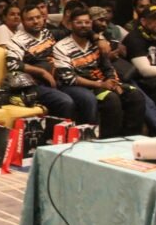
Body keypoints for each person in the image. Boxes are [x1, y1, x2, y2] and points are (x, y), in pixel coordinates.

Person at [53, 8, 146, 138]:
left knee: (135, 95)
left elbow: (107, 67)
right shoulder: (61, 47)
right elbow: (69, 78)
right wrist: (102, 85)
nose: (83, 26)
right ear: (70, 25)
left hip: (104, 83)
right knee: (111, 99)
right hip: (84, 86)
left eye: (87, 22)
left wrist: (114, 82)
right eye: (79, 22)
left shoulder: (98, 44)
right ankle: (108, 140)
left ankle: (131, 138)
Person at [6, 4, 79, 119]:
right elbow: (12, 64)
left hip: (59, 80)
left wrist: (98, 38)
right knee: (65, 102)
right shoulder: (17, 41)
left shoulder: (47, 33)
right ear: (23, 21)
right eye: (30, 19)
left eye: (38, 17)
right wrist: (42, 72)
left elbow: (76, 31)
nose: (36, 21)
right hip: (36, 85)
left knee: (86, 98)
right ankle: (57, 135)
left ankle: (85, 134)